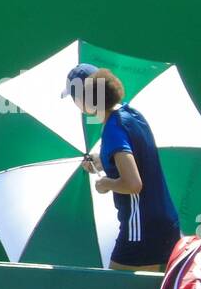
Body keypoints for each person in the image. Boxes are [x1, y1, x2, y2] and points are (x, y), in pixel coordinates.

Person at [67, 65, 179, 272]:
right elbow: (135, 158)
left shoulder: (113, 130)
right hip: (163, 225)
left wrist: (106, 183)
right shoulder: (131, 114)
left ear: (84, 100)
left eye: (74, 98)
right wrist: (102, 161)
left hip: (141, 229)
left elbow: (133, 184)